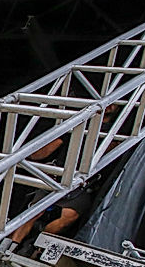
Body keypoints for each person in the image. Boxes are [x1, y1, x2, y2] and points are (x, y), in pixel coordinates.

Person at [11, 104, 116, 250]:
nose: (110, 106)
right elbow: (46, 150)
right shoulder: (79, 124)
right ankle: (9, 247)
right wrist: (25, 157)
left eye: (114, 104)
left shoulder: (115, 132)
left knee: (69, 217)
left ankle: (35, 247)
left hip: (82, 184)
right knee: (33, 212)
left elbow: (113, 153)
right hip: (58, 176)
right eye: (108, 104)